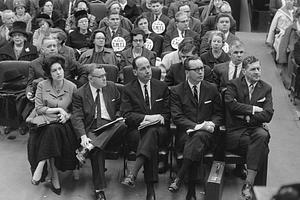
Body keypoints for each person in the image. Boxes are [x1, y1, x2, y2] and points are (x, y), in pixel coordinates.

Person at [168, 56, 223, 200]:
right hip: (186, 134)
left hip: (208, 135)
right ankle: (189, 189)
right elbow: (177, 117)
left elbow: (218, 113)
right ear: (187, 72)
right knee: (195, 140)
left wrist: (212, 124)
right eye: (196, 69)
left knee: (198, 138)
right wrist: (198, 126)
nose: (201, 72)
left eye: (202, 68)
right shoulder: (176, 91)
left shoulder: (211, 88)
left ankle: (182, 180)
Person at [71, 63, 126, 200]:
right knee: (97, 150)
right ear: (90, 79)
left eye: (105, 75)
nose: (104, 79)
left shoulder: (112, 87)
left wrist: (118, 116)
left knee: (123, 124)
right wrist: (83, 136)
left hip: (112, 126)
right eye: (100, 76)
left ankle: (88, 148)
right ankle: (99, 189)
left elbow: (121, 107)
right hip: (93, 128)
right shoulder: (80, 93)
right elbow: (77, 117)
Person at [121, 56, 170, 200]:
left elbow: (167, 114)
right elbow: (126, 115)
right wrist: (149, 118)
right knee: (150, 140)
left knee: (152, 132)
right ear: (135, 72)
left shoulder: (162, 87)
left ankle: (133, 173)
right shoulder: (128, 89)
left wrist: (158, 119)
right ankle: (150, 189)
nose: (148, 71)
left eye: (149, 67)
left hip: (160, 131)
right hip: (136, 132)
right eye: (143, 68)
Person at [224, 56, 274, 200]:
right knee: (262, 148)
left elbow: (268, 114)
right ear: (244, 71)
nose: (258, 72)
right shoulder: (233, 85)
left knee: (262, 136)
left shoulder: (266, 88)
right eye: (253, 69)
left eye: (259, 68)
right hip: (236, 133)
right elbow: (231, 105)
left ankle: (248, 184)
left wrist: (246, 116)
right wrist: (253, 109)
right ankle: (256, 190)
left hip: (254, 131)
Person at [29, 55, 78, 196]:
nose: (58, 72)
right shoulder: (42, 85)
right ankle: (54, 176)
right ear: (49, 74)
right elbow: (38, 108)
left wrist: (67, 115)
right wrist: (58, 109)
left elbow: (76, 111)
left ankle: (41, 164)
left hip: (64, 125)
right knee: (51, 131)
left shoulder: (72, 87)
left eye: (60, 69)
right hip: (45, 122)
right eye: (54, 70)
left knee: (53, 130)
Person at [26, 37, 87, 103]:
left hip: (67, 96)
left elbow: (84, 71)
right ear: (42, 50)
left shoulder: (67, 60)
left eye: (54, 46)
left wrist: (80, 85)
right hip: (45, 97)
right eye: (49, 46)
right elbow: (30, 84)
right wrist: (29, 93)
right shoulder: (34, 64)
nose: (52, 48)